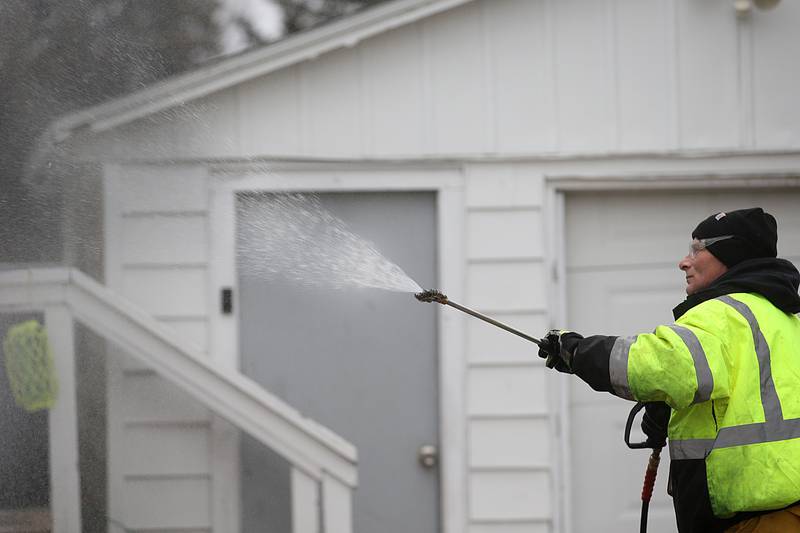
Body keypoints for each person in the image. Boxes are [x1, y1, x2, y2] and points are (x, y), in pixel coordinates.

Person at [538, 207, 800, 533]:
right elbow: (748, 398)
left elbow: (658, 363)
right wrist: (676, 411)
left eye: (697, 249)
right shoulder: (783, 320)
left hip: (756, 523)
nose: (684, 261)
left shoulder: (723, 314)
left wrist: (576, 351)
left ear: (732, 252)